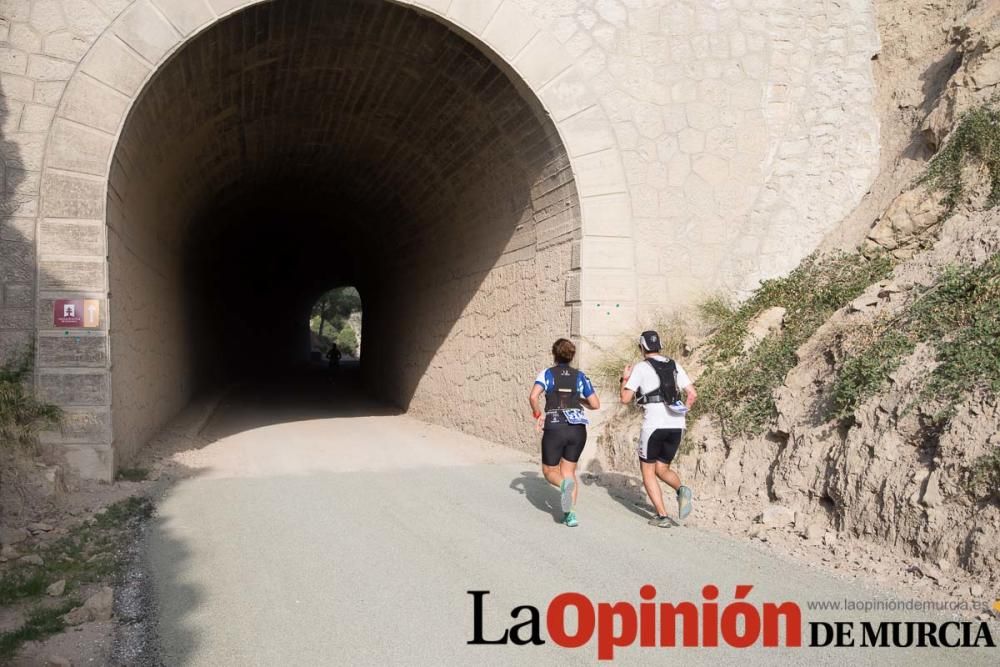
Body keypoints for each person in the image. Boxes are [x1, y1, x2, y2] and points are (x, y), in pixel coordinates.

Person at [620, 330, 697, 528]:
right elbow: (692, 394)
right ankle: (681, 489)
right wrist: (683, 412)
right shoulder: (674, 365)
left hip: (654, 426)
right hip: (677, 425)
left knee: (648, 472)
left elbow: (625, 399)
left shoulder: (641, 368)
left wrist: (624, 379)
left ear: (642, 347)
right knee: (662, 468)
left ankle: (662, 516)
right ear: (659, 345)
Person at [528, 338, 600, 527]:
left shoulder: (547, 374)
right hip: (577, 429)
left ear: (554, 354)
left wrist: (537, 414)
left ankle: (562, 486)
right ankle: (570, 515)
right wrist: (579, 400)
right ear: (572, 356)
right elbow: (595, 404)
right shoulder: (580, 376)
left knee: (549, 471)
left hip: (555, 425)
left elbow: (533, 396)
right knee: (569, 471)